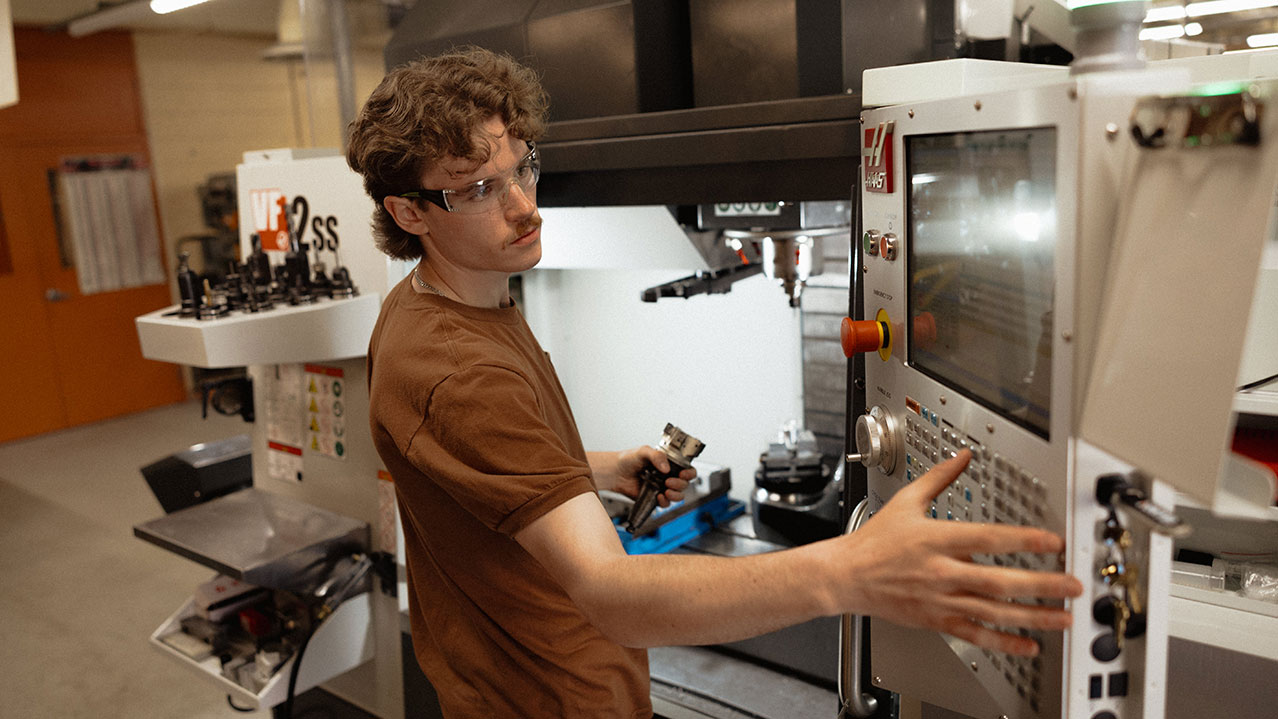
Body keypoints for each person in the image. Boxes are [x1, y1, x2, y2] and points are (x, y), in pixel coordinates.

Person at [347, 47, 1082, 719]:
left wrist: (590, 469)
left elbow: (474, 471)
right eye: (478, 190)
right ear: (410, 211)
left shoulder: (430, 306)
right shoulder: (459, 367)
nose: (523, 205)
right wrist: (852, 569)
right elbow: (614, 594)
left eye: (521, 167)